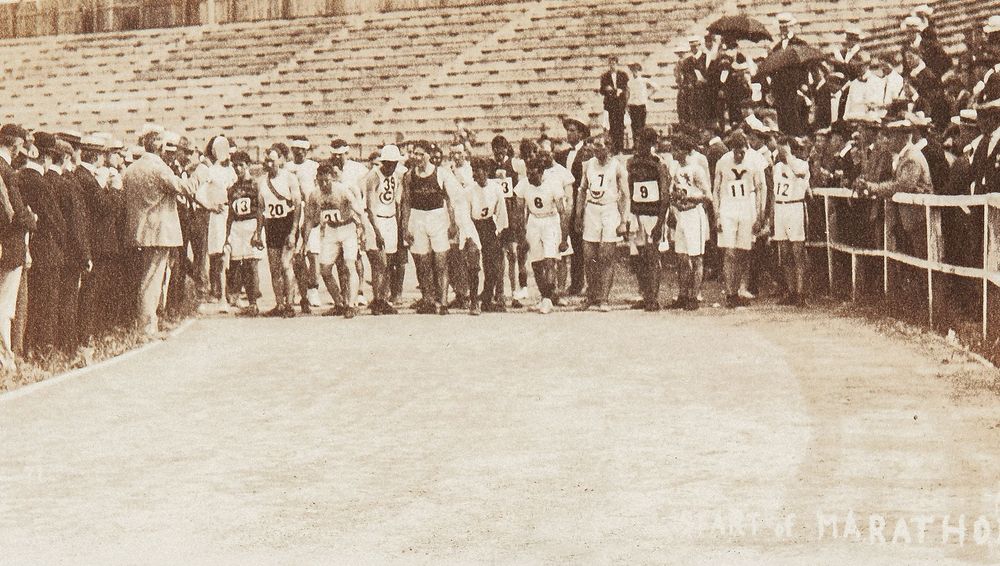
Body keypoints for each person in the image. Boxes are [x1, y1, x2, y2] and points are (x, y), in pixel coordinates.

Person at [20, 133, 68, 353]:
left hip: (30, 248)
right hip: (47, 251)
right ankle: (43, 350)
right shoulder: (39, 182)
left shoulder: (21, 176)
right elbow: (55, 220)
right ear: (46, 157)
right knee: (46, 303)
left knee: (31, 302)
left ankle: (30, 346)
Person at [400, 140, 460, 315]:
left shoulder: (442, 173)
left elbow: (451, 200)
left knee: (441, 262)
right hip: (418, 218)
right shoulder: (409, 176)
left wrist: (453, 223)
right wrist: (405, 227)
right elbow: (406, 203)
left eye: (421, 154)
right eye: (415, 154)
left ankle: (443, 302)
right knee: (423, 263)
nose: (417, 157)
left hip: (438, 217)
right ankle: (428, 300)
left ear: (429, 155)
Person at [302, 162, 366, 319]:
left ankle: (351, 305)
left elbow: (359, 211)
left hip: (347, 228)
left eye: (327, 181)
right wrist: (305, 240)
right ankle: (339, 303)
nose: (324, 184)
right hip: (331, 230)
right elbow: (310, 219)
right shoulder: (314, 194)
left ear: (333, 178)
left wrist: (363, 232)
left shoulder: (342, 191)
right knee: (324, 269)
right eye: (321, 181)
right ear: (316, 179)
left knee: (350, 265)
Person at [77, 135, 123, 341]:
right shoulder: (87, 178)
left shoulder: (86, 176)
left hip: (97, 243)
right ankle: (88, 333)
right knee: (92, 291)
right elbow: (105, 208)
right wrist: (114, 189)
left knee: (96, 290)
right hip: (98, 243)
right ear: (96, 155)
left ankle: (92, 331)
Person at [713, 131, 766, 308]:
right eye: (736, 152)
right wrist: (717, 214)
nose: (739, 155)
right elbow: (716, 190)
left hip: (746, 208)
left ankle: (739, 289)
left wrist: (760, 213)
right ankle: (730, 293)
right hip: (728, 207)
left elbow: (760, 188)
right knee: (729, 252)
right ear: (731, 149)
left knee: (743, 251)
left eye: (742, 151)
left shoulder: (754, 162)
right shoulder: (723, 162)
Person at [576, 136, 628, 311]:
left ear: (609, 148)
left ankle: (604, 298)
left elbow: (625, 195)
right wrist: (578, 215)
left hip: (609, 209)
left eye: (600, 147)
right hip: (592, 210)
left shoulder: (616, 166)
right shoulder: (589, 164)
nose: (596, 151)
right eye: (595, 147)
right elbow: (582, 190)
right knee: (589, 255)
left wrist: (623, 220)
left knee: (606, 255)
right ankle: (592, 295)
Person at [516, 159, 569, 314]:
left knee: (549, 260)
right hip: (533, 220)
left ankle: (547, 299)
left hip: (550, 220)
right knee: (536, 263)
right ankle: (545, 296)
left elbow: (562, 212)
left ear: (541, 172)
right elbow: (519, 211)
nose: (530, 177)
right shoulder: (524, 184)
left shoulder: (553, 184)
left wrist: (564, 238)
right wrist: (521, 235)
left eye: (533, 174)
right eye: (528, 173)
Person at [0, 124, 34, 368]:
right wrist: (32, 219)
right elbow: (16, 214)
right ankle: (6, 360)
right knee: (5, 306)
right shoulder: (7, 172)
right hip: (9, 246)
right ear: (15, 145)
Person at [626, 127, 670, 311]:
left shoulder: (659, 164)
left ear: (651, 144)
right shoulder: (631, 162)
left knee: (653, 256)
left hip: (653, 215)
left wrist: (661, 222)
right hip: (638, 214)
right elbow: (630, 188)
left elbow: (665, 194)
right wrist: (630, 214)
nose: (639, 146)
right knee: (640, 257)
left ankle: (653, 297)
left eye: (643, 142)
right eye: (637, 142)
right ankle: (645, 295)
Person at [193, 135, 237, 312]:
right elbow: (199, 194)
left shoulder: (233, 170)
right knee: (218, 256)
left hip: (233, 215)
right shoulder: (211, 171)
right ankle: (219, 295)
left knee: (233, 255)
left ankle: (232, 293)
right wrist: (211, 206)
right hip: (218, 217)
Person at [669, 133, 712, 310]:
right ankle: (683, 294)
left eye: (676, 149)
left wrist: (690, 199)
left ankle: (694, 296)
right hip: (681, 216)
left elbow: (707, 195)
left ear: (685, 150)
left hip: (694, 214)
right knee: (681, 257)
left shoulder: (696, 169)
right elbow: (673, 192)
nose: (673, 152)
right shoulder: (675, 169)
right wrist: (675, 203)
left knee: (696, 257)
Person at [259, 144, 303, 318]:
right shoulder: (262, 182)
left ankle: (290, 304)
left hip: (287, 223)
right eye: (267, 160)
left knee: (286, 265)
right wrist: (258, 232)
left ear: (280, 160)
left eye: (272, 160)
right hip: (272, 225)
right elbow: (261, 209)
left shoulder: (289, 178)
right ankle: (279, 304)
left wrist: (293, 231)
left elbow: (298, 205)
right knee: (274, 268)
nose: (269, 164)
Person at [361, 144, 405, 315]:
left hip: (391, 219)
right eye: (388, 163)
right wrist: (377, 231)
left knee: (389, 263)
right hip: (376, 220)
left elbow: (396, 200)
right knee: (379, 263)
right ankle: (378, 299)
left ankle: (382, 298)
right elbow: (370, 207)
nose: (391, 167)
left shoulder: (397, 175)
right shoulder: (373, 176)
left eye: (394, 163)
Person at [771, 136, 812, 306]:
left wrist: (788, 155)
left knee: (798, 252)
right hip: (781, 208)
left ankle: (801, 293)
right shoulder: (777, 167)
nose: (780, 152)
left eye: (783, 148)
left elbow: (799, 173)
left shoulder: (802, 164)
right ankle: (791, 291)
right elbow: (775, 193)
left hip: (795, 208)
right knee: (785, 252)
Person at [464, 157, 508, 314]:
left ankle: (487, 299)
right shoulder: (469, 191)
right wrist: (469, 237)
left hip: (489, 226)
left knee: (493, 266)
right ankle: (474, 301)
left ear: (486, 172)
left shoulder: (495, 188)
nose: (476, 174)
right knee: (474, 263)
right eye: (474, 171)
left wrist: (501, 232)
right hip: (473, 226)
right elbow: (465, 216)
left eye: (479, 171)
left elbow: (501, 212)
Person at [487, 135, 525, 309]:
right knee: (498, 254)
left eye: (501, 149)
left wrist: (518, 216)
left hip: (511, 212)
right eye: (495, 149)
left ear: (506, 148)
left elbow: (519, 193)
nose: (498, 152)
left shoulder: (515, 165)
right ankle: (500, 293)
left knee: (513, 254)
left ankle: (515, 293)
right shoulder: (490, 166)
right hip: (497, 213)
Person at [225, 151, 264, 317]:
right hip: (236, 226)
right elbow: (230, 214)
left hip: (250, 225)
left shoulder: (255, 185)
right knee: (236, 265)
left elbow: (261, 210)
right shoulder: (232, 188)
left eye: (241, 165)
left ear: (247, 165)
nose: (238, 168)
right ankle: (238, 298)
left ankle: (253, 302)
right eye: (235, 165)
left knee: (251, 265)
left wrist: (258, 233)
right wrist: (227, 235)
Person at [555, 118, 590, 295]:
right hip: (566, 202)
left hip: (580, 201)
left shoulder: (587, 153)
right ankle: (573, 283)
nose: (569, 134)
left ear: (581, 133)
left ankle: (583, 283)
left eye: (573, 130)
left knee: (581, 243)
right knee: (570, 242)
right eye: (568, 130)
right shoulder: (562, 155)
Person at [287, 136, 321, 310]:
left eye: (302, 149)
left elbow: (318, 191)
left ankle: (314, 288)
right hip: (293, 211)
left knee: (313, 253)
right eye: (296, 149)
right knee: (296, 255)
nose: (299, 152)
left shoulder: (313, 167)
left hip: (310, 210)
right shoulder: (287, 168)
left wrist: (317, 214)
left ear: (307, 151)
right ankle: (301, 291)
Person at [600, 56, 630, 155]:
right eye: (611, 63)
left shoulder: (623, 75)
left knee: (620, 126)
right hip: (610, 105)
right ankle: (614, 149)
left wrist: (621, 91)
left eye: (614, 63)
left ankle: (620, 148)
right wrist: (606, 89)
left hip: (620, 104)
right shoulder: (605, 76)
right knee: (612, 127)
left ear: (617, 63)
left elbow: (626, 87)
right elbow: (601, 90)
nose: (612, 65)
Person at [627, 63, 658, 143]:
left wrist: (648, 96)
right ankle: (636, 145)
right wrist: (627, 104)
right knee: (634, 126)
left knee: (642, 126)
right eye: (633, 70)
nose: (635, 72)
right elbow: (628, 94)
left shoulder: (644, 80)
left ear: (639, 71)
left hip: (641, 105)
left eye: (637, 70)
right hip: (632, 106)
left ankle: (642, 144)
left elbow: (656, 87)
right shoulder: (629, 82)